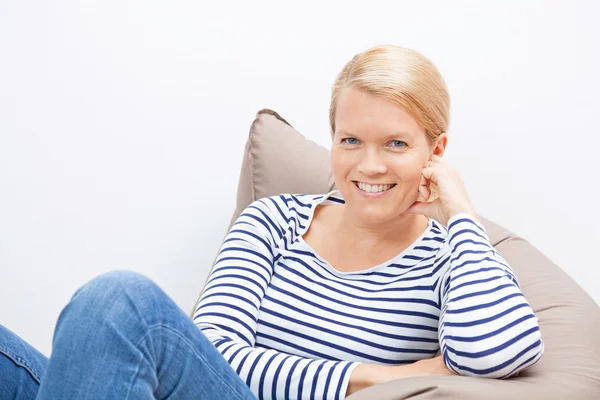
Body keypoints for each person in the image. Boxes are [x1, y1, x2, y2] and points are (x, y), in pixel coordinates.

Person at [0, 45, 543, 400]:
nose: (369, 165)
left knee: (119, 303)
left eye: (396, 144)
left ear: (436, 151)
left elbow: (496, 355)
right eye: (350, 140)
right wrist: (378, 376)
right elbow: (215, 352)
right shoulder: (274, 220)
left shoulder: (453, 259)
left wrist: (460, 212)